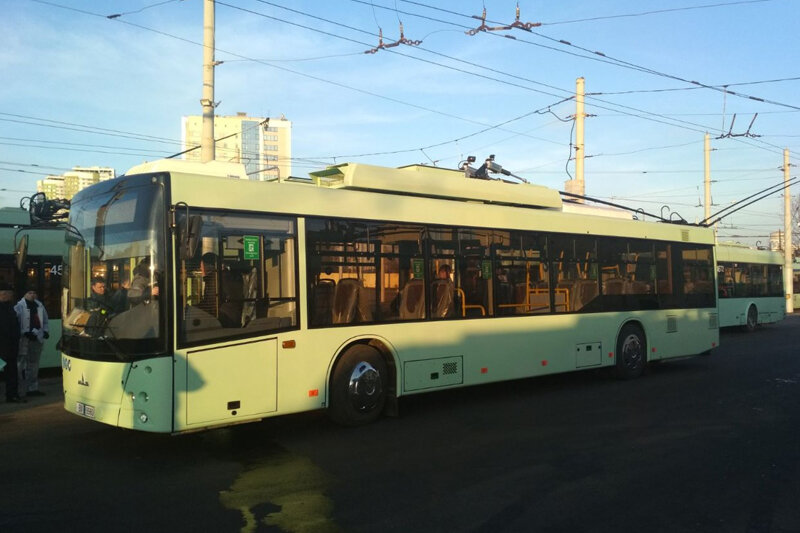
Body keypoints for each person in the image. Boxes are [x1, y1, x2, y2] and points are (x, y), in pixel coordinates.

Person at [15, 287, 49, 398]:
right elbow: (16, 323)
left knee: (34, 364)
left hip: (37, 339)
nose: (32, 295)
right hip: (24, 340)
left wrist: (45, 331)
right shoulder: (19, 307)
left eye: (34, 292)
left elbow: (45, 320)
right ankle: (20, 390)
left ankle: (32, 388)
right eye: (29, 292)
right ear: (24, 294)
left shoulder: (39, 305)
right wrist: (24, 333)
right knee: (20, 365)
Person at [0, 282, 22, 403]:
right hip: (3, 348)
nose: (11, 296)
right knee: (10, 372)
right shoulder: (7, 308)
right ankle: (11, 394)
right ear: (3, 294)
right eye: (9, 294)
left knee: (12, 372)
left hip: (10, 349)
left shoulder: (10, 307)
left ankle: (12, 394)